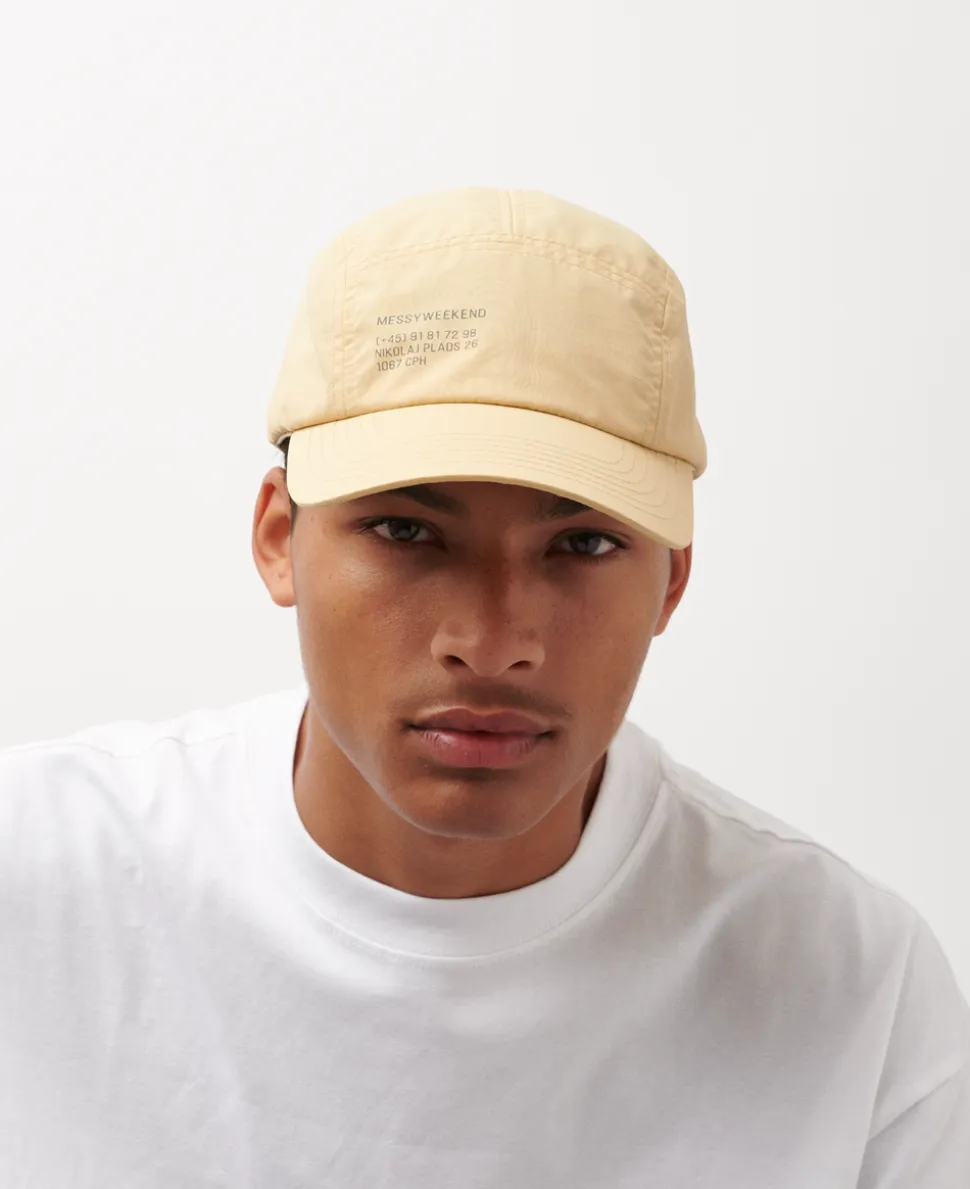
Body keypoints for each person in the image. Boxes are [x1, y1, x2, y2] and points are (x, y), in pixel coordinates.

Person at [1, 188, 967, 1188]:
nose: (493, 642)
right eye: (407, 531)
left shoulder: (851, 991)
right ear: (279, 537)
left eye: (581, 543)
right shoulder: (34, 882)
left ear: (671, 580)